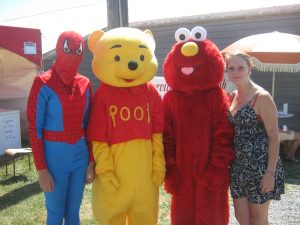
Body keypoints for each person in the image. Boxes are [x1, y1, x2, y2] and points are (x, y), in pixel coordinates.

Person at [27, 31, 95, 225]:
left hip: (80, 157)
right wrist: (41, 169)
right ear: (59, 48)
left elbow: (89, 125)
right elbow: (35, 128)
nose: (73, 55)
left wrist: (91, 159)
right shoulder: (42, 83)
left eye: (77, 50)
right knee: (56, 215)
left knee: (73, 213)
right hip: (54, 160)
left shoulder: (85, 84)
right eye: (68, 49)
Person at [225, 51, 284, 225]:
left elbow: (274, 136)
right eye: (231, 68)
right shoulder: (232, 96)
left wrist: (270, 173)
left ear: (250, 68)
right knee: (242, 219)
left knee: (258, 220)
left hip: (260, 167)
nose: (236, 72)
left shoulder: (262, 97)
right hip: (238, 167)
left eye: (240, 68)